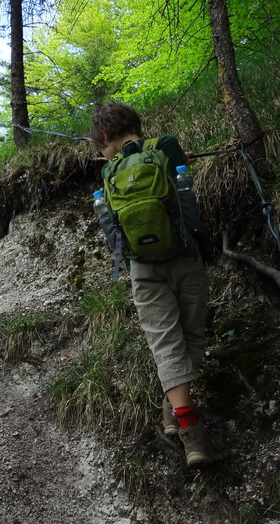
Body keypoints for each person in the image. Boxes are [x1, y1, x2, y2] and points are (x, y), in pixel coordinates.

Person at [89, 100, 214, 468]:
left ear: (107, 135)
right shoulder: (168, 144)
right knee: (192, 336)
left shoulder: (109, 171)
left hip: (142, 268)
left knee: (164, 341)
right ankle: (186, 424)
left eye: (100, 146)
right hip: (185, 256)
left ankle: (181, 421)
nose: (101, 153)